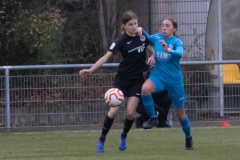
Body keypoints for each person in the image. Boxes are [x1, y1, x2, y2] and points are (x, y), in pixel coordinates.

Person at [79, 10, 154, 153]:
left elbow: (151, 50)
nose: (134, 26)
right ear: (124, 26)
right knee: (113, 111)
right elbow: (105, 57)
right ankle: (102, 139)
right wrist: (91, 70)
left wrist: (154, 55)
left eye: (136, 23)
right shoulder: (120, 41)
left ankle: (124, 136)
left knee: (131, 113)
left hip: (137, 79)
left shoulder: (143, 37)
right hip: (122, 79)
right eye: (130, 24)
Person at [136, 18, 194, 150]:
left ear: (174, 29)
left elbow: (180, 53)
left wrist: (168, 51)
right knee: (145, 89)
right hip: (159, 76)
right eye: (163, 25)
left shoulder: (177, 42)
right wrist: (141, 30)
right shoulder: (157, 37)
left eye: (167, 26)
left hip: (174, 81)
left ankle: (188, 138)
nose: (164, 28)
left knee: (180, 115)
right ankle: (153, 118)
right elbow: (149, 38)